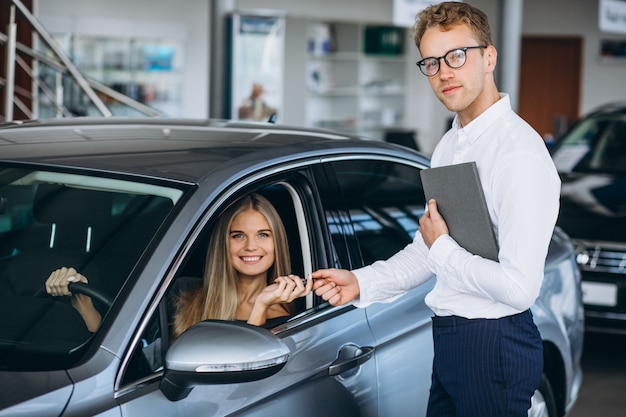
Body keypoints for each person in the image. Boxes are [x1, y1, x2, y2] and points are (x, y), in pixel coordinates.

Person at [312, 3, 561, 417]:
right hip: (451, 340)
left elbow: (519, 288)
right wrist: (362, 282)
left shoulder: (518, 154)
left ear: (490, 57)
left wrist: (442, 248)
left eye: (456, 56)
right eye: (431, 61)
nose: (444, 71)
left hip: (493, 346)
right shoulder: (451, 144)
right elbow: (429, 247)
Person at [45, 193, 311, 336]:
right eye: (237, 235)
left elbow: (244, 373)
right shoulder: (184, 292)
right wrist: (83, 302)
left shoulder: (287, 314)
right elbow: (137, 358)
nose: (251, 246)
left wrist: (261, 305)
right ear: (223, 243)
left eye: (263, 234)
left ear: (278, 242)